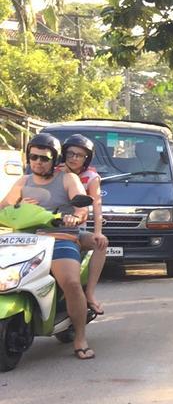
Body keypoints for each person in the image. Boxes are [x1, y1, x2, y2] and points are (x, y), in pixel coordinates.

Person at [0, 133, 93, 359]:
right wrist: (19, 205)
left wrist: (75, 217)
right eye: (33, 157)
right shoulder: (23, 182)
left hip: (59, 237)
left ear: (54, 159)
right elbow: (3, 208)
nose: (38, 162)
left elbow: (82, 207)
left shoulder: (67, 179)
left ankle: (80, 337)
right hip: (24, 240)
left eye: (44, 158)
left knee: (71, 282)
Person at [60, 134, 108, 315]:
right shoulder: (56, 171)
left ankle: (90, 294)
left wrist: (98, 232)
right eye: (70, 153)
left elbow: (96, 205)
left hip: (76, 229)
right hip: (49, 228)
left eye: (79, 155)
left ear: (86, 159)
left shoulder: (91, 177)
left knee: (101, 244)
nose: (73, 158)